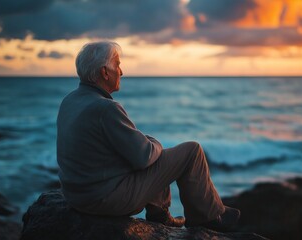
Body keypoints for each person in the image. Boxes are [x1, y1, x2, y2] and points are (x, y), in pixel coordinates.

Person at [56, 41, 240, 231]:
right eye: (117, 65)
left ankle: (160, 215)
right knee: (191, 151)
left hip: (76, 195)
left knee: (155, 156)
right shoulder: (106, 108)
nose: (121, 71)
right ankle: (209, 218)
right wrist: (154, 143)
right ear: (105, 72)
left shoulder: (70, 100)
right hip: (103, 200)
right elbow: (143, 157)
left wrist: (147, 147)